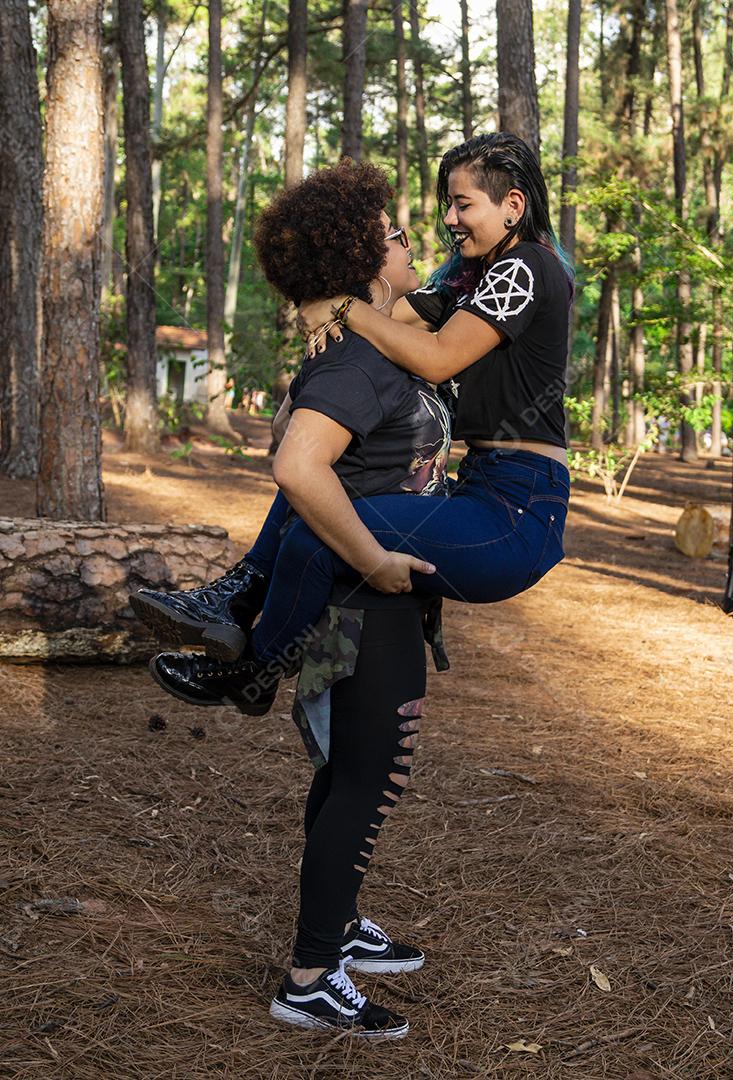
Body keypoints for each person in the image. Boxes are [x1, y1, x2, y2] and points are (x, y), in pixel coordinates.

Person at [135, 161, 452, 1038]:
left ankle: (338, 929)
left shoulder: (368, 342)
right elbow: (297, 470)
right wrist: (378, 563)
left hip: (360, 596)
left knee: (350, 772)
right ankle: (312, 976)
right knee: (366, 776)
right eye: (392, 235)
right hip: (360, 599)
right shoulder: (354, 363)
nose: (406, 243)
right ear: (361, 258)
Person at [133, 133, 573, 716]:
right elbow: (384, 312)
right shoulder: (470, 284)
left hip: (519, 508)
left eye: (463, 204)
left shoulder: (526, 267)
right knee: (324, 501)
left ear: (512, 206)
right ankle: (235, 602)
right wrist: (323, 309)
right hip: (483, 486)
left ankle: (255, 668)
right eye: (450, 203)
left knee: (322, 533)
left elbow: (435, 353)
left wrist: (345, 306)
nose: (449, 218)